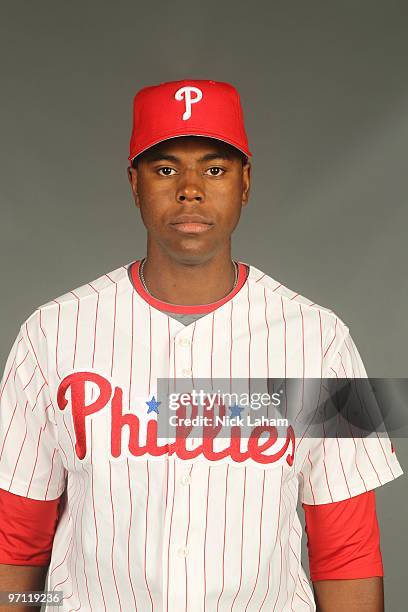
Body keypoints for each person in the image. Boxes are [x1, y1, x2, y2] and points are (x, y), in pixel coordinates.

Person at [0, 79, 403, 612]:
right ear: (134, 184)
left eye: (215, 169)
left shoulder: (323, 337)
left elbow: (346, 552)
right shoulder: (50, 333)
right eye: (165, 169)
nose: (190, 188)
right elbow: (17, 542)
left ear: (245, 183)